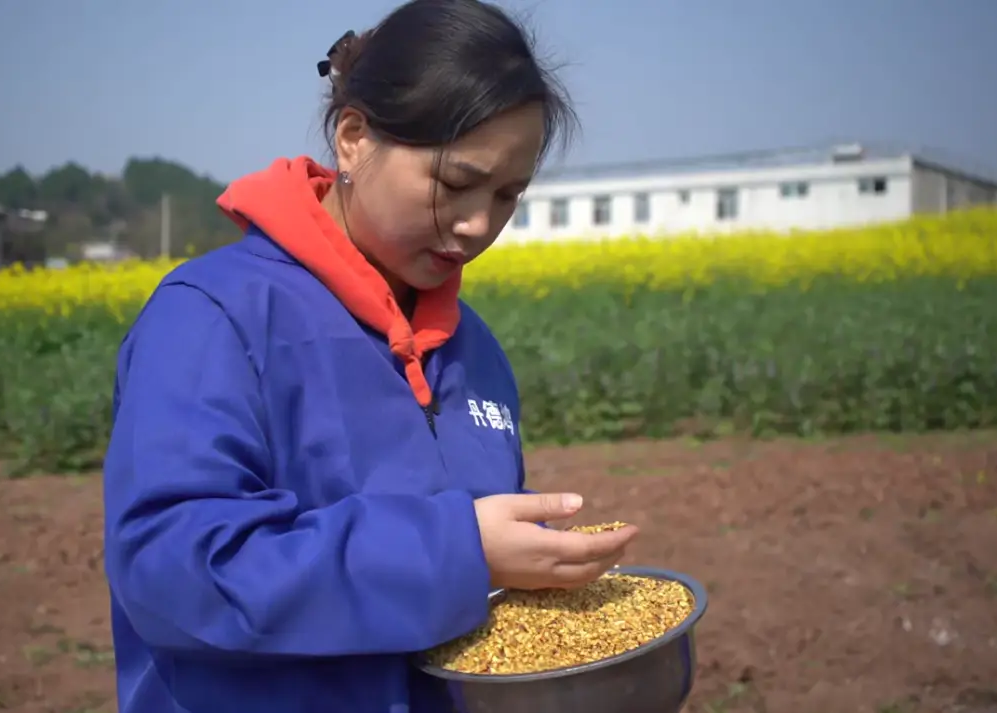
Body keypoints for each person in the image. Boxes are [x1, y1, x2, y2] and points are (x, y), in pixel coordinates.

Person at [101, 1, 640, 711]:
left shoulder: (473, 349)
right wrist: (457, 552)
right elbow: (177, 573)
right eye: (454, 184)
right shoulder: (215, 317)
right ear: (353, 137)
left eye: (508, 194)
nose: (479, 223)